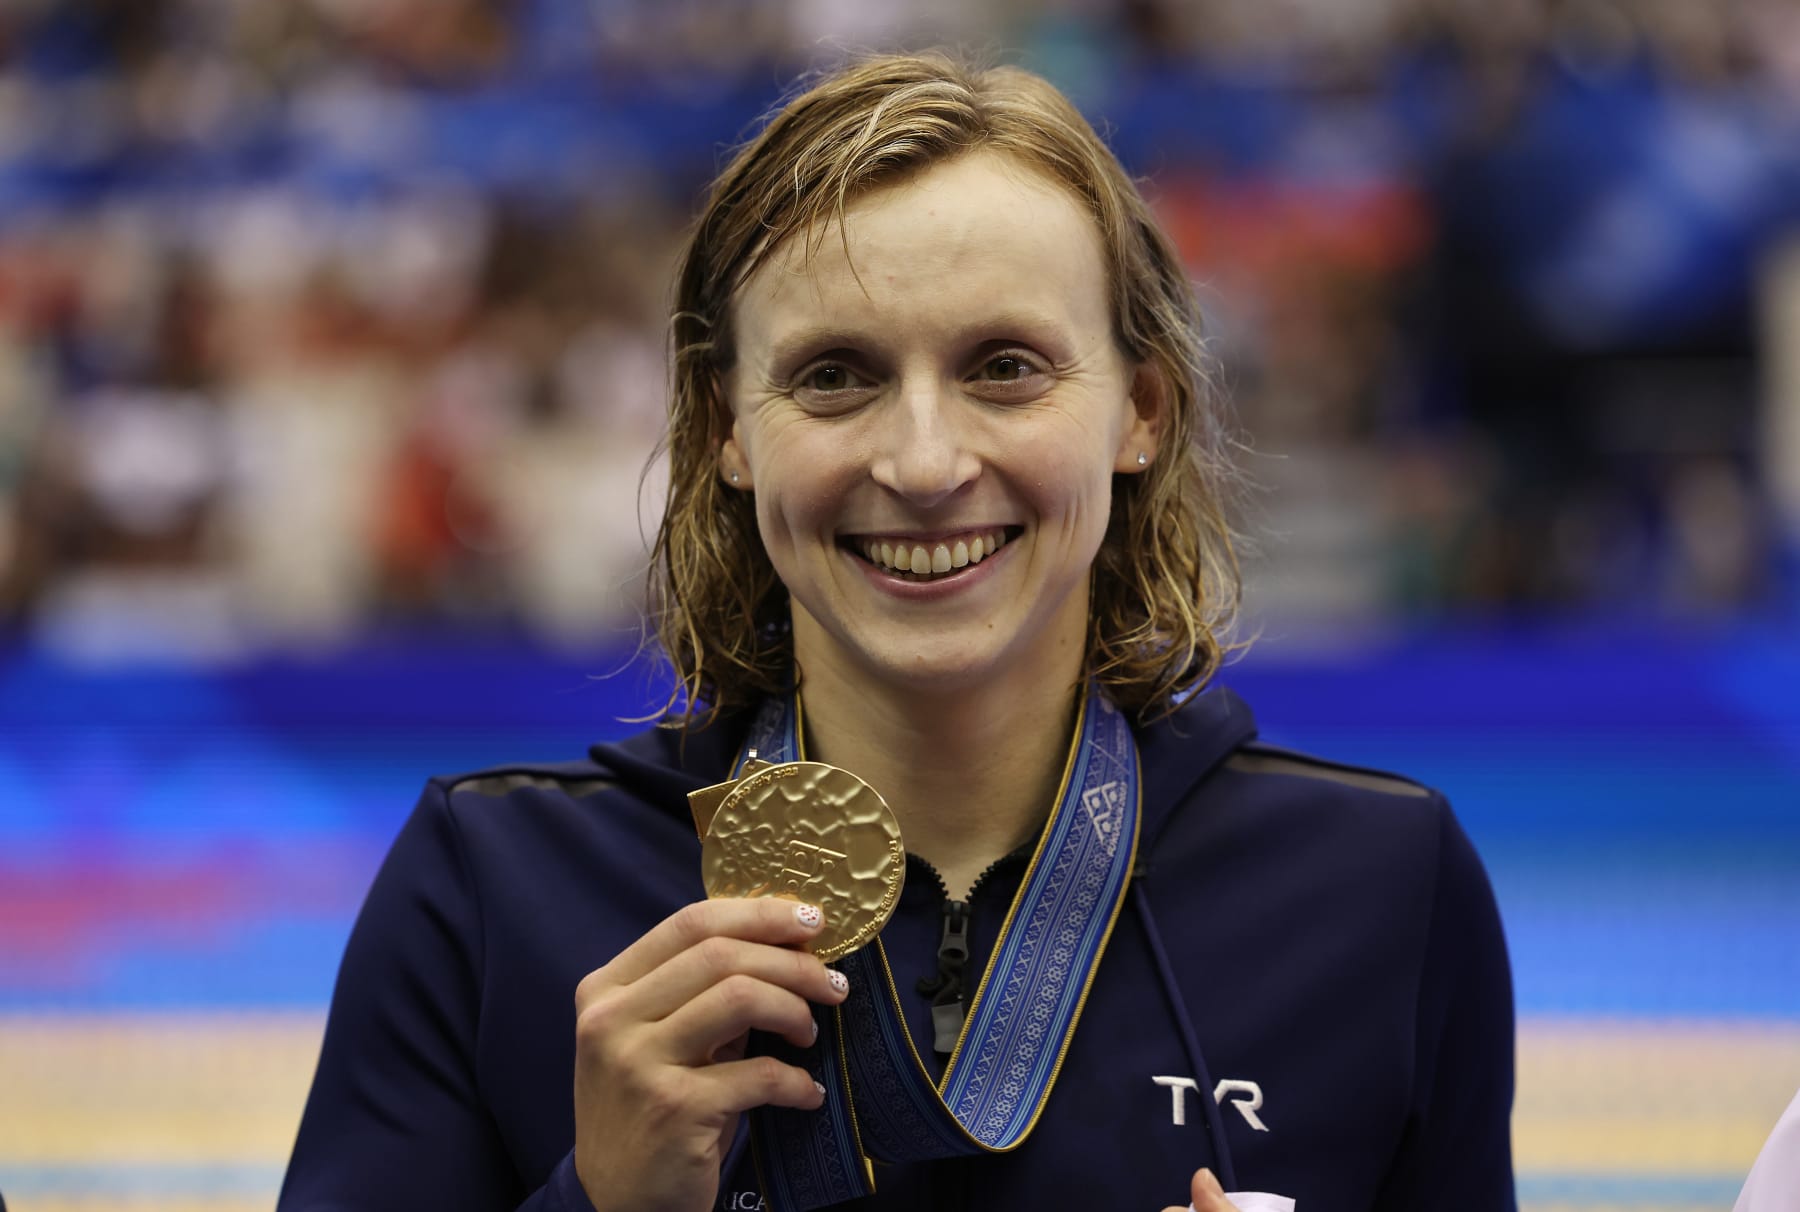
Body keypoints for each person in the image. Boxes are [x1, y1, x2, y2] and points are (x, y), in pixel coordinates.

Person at [279, 51, 1515, 1212]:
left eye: (1006, 367)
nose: (924, 462)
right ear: (730, 430)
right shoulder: (491, 894)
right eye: (834, 376)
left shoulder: (1382, 895)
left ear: (1140, 410)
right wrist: (598, 1203)